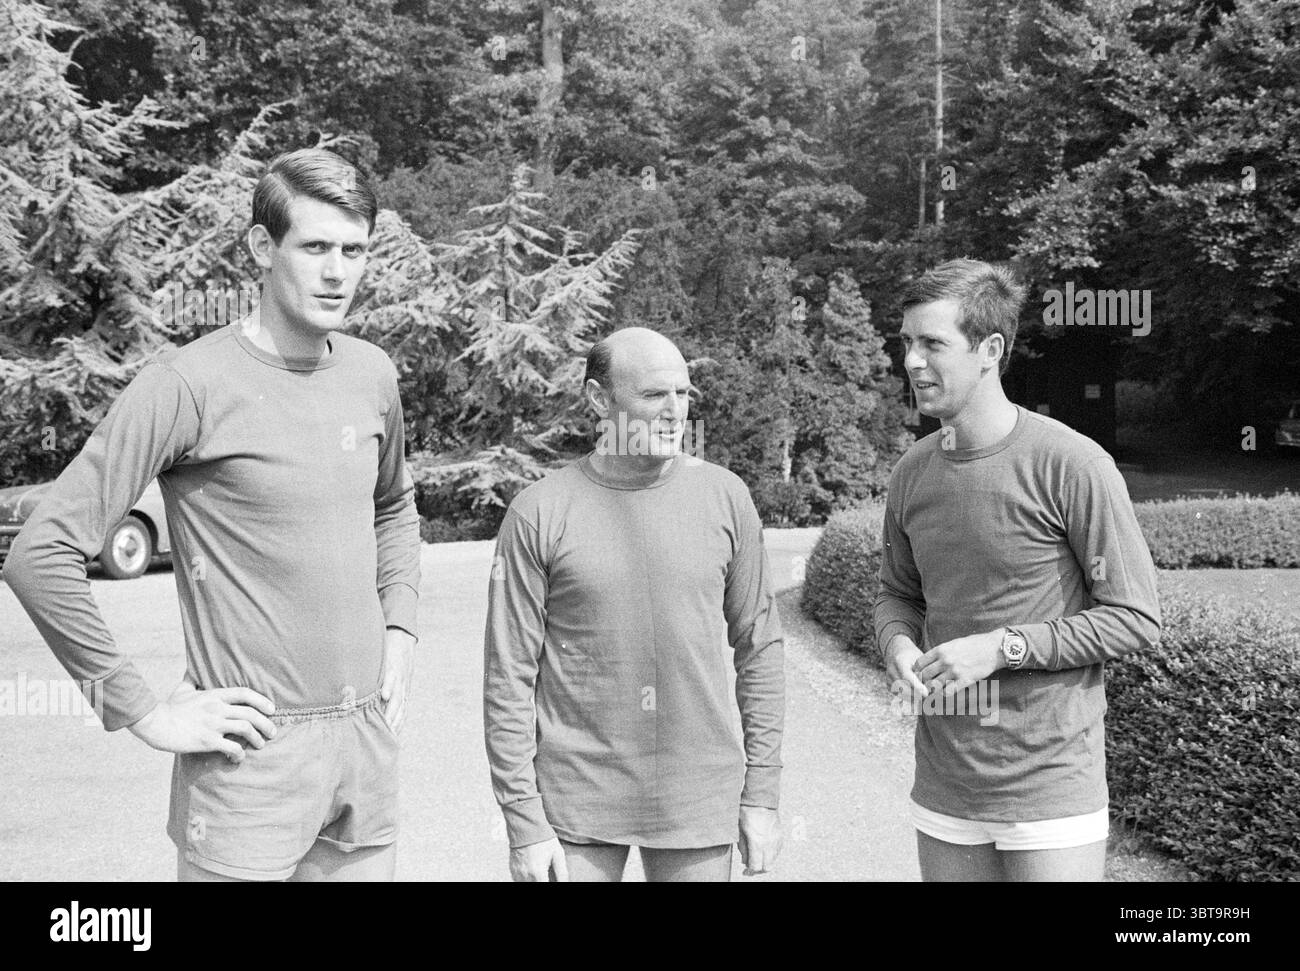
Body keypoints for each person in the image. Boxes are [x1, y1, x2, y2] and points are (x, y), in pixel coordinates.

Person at [3, 148, 421, 882]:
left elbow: (395, 505)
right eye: (316, 246)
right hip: (248, 764)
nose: (337, 272)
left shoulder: (371, 374)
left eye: (354, 250)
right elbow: (40, 553)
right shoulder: (186, 385)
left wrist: (401, 625)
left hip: (364, 752)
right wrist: (142, 712)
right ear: (263, 247)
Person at [873, 258, 1161, 882]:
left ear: (989, 349)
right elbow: (897, 594)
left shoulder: (1073, 464)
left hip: (1050, 790)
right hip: (945, 786)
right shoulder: (912, 473)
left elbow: (1135, 618)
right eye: (907, 343)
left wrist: (1003, 647)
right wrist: (895, 641)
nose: (912, 362)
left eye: (932, 344)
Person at [484, 327, 785, 882]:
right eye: (653, 396)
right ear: (600, 399)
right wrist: (524, 821)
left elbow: (760, 647)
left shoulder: (726, 497)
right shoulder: (539, 512)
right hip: (575, 800)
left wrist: (762, 793)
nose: (675, 411)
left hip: (695, 794)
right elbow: (508, 677)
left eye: (684, 393)